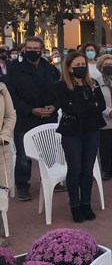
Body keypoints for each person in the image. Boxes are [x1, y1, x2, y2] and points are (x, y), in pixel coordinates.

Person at [54, 51, 106, 223]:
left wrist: (82, 107)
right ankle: (75, 205)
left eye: (83, 65)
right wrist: (89, 106)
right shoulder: (62, 86)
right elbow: (69, 108)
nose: (81, 68)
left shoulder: (93, 84)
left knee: (87, 168)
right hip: (72, 133)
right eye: (77, 66)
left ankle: (86, 203)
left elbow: (102, 105)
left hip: (91, 130)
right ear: (69, 68)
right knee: (75, 168)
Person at [7, 36, 59, 201]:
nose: (33, 52)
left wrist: (55, 106)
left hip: (48, 117)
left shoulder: (51, 70)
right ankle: (23, 185)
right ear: (24, 49)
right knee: (23, 156)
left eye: (36, 49)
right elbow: (12, 97)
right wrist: (31, 110)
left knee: (50, 152)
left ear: (42, 51)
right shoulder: (14, 70)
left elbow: (61, 91)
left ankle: (52, 179)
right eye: (29, 49)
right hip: (25, 119)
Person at [0, 81, 15, 246]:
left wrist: (4, 135)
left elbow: (10, 115)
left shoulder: (2, 88)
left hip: (0, 147)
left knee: (0, 193)